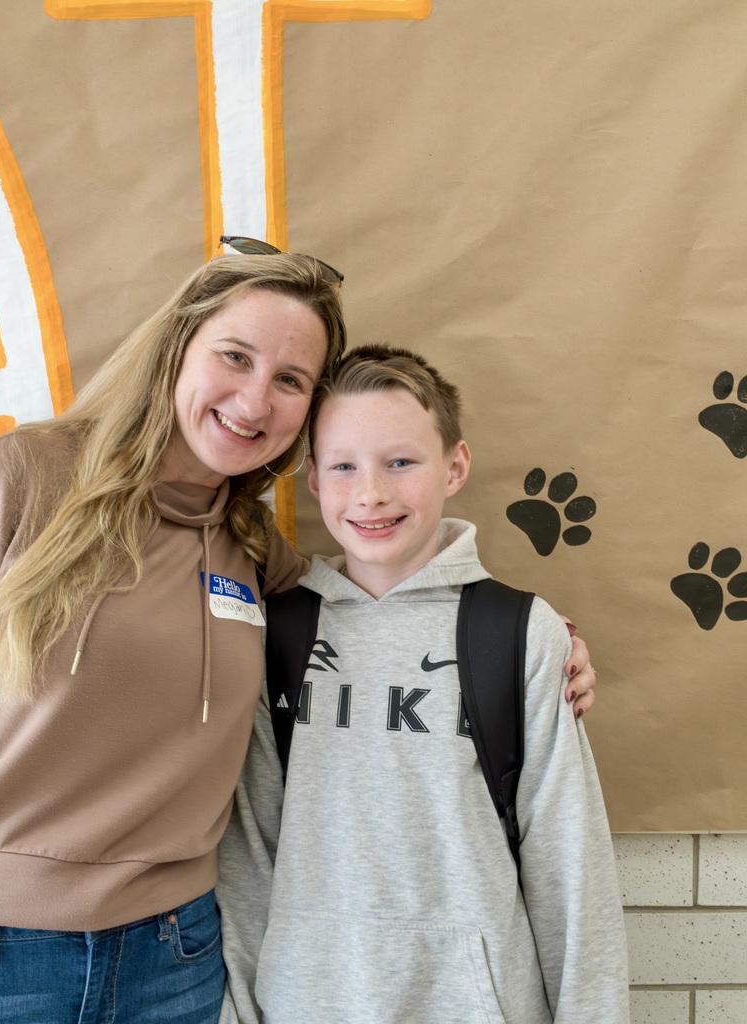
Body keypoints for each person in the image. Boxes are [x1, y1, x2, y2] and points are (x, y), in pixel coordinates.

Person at [0, 245, 596, 1024]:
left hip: (176, 963)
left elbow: (377, 607)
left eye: (289, 381)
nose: (255, 402)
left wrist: (536, 638)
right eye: (235, 357)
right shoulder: (16, 482)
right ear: (175, 350)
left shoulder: (254, 549)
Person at [217, 345, 628, 1024]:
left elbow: (570, 867)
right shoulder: (273, 634)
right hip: (307, 1002)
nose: (371, 492)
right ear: (313, 479)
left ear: (455, 467)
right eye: (344, 466)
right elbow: (248, 857)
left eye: (400, 462)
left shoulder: (520, 633)